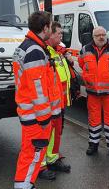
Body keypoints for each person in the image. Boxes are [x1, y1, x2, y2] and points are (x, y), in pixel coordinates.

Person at [13, 11, 62, 189]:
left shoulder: (28, 46)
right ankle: (25, 186)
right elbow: (38, 89)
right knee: (33, 155)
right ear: (45, 28)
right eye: (51, 25)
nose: (53, 28)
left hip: (29, 112)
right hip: (36, 117)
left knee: (29, 153)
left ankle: (24, 184)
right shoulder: (35, 50)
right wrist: (44, 118)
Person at [78, 26, 109, 157]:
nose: (101, 37)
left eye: (103, 34)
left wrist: (107, 76)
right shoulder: (85, 50)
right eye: (98, 35)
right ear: (93, 37)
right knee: (94, 120)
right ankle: (93, 144)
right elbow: (81, 63)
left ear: (106, 35)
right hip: (93, 93)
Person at [38, 22, 72, 180]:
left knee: (56, 133)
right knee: (44, 134)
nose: (61, 36)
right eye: (58, 33)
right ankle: (41, 165)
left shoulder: (59, 51)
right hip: (48, 102)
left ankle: (52, 158)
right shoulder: (44, 52)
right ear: (49, 34)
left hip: (59, 101)